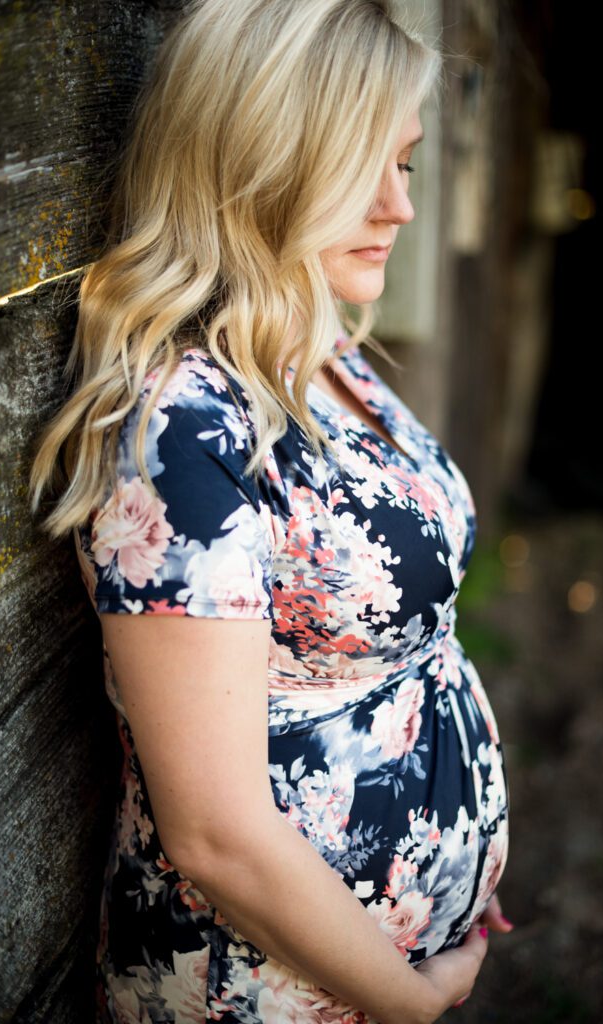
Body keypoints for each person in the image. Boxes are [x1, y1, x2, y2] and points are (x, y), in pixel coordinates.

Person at [29, 1, 514, 1021]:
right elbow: (215, 831)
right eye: (362, 171)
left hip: (380, 959)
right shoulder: (177, 427)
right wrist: (409, 1001)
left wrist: (457, 847)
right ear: (259, 161)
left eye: (408, 165)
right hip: (267, 991)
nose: (400, 210)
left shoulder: (323, 350)